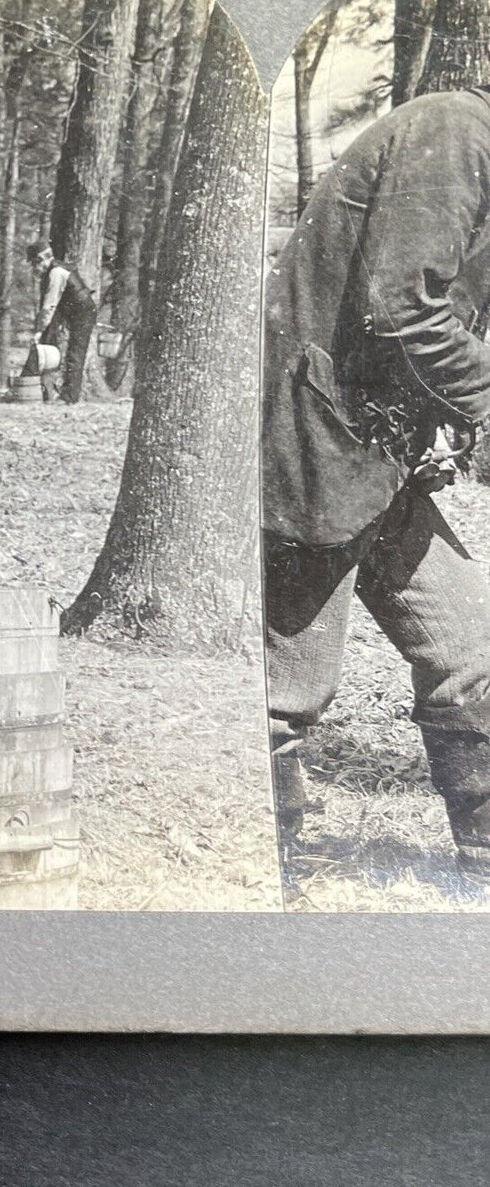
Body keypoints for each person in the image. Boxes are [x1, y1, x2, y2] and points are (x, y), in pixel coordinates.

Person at [262, 87, 490, 891]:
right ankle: (268, 875)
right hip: (313, 441)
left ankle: (480, 878)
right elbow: (402, 308)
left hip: (377, 451)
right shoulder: (456, 130)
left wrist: (449, 418)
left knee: (473, 649)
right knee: (289, 692)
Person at [25, 239, 98, 403]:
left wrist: (38, 332)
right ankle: (48, 391)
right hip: (74, 311)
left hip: (83, 312)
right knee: (61, 348)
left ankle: (70, 397)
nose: (35, 268)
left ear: (41, 260)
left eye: (35, 263)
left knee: (75, 353)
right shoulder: (56, 269)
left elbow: (49, 306)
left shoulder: (56, 273)